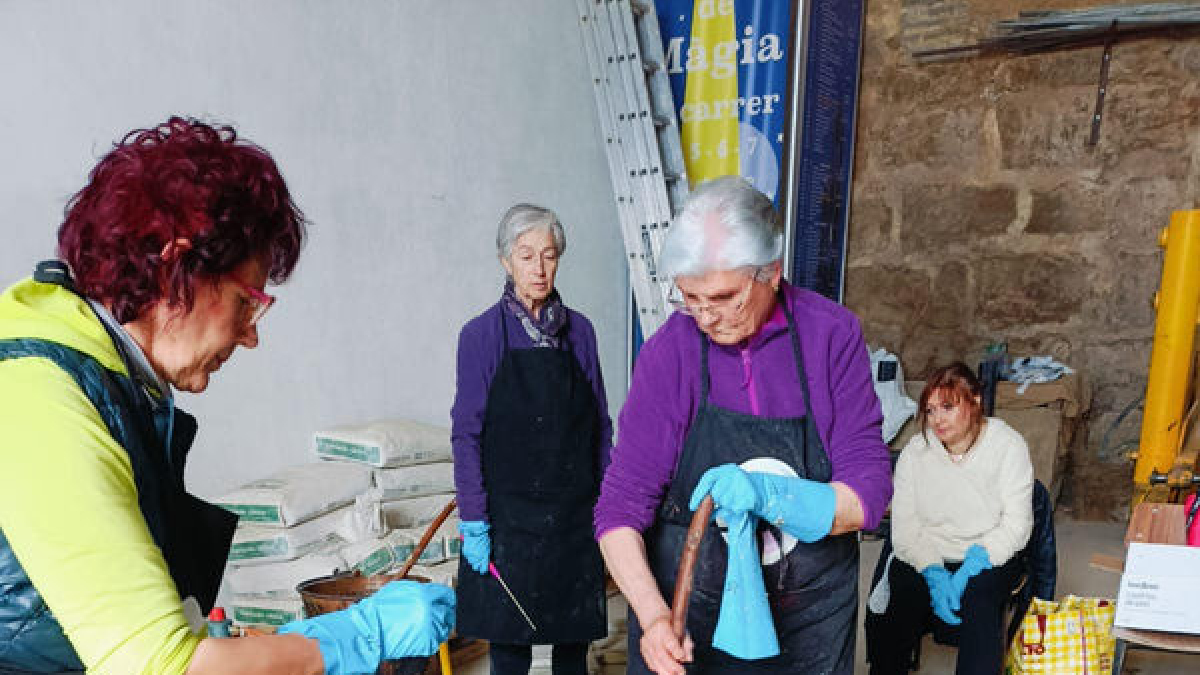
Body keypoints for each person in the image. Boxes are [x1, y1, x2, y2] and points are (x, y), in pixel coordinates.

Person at [0, 117, 454, 675]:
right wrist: (355, 637)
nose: (251, 336)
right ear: (176, 269)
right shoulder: (40, 396)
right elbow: (160, 666)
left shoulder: (106, 384)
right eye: (246, 303)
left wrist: (276, 647)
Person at [594, 176, 893, 675]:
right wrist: (654, 617)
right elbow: (619, 510)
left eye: (724, 296)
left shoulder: (830, 336)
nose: (706, 317)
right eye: (691, 298)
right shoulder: (671, 353)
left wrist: (771, 496)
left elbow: (868, 496)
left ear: (772, 272)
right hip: (694, 615)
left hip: (808, 621)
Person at [451, 204, 613, 675]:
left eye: (548, 255)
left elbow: (600, 425)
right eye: (526, 256)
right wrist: (474, 519)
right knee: (509, 651)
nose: (539, 269)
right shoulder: (481, 335)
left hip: (572, 516)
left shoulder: (580, 332)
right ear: (506, 261)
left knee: (572, 650)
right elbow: (466, 434)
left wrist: (609, 509)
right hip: (509, 519)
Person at [865, 362, 1033, 675]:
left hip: (987, 553)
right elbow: (905, 528)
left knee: (980, 599)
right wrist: (932, 570)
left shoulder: (1008, 446)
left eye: (947, 407)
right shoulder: (916, 453)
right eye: (930, 411)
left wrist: (973, 564)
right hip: (931, 552)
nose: (937, 420)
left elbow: (1017, 525)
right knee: (899, 596)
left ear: (975, 401)